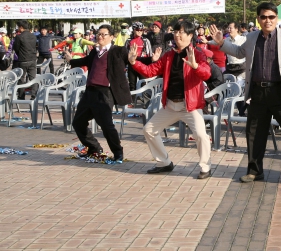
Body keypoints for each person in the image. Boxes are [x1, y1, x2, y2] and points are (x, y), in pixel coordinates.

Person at [208, 2, 281, 187]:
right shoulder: (251, 37)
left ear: (277, 18)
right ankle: (255, 171)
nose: (267, 20)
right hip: (258, 92)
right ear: (258, 19)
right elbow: (239, 53)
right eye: (264, 17)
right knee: (254, 134)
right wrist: (221, 43)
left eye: (271, 17)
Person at [129, 20, 212, 177]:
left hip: (190, 106)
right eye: (175, 32)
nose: (177, 35)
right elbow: (150, 70)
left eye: (181, 32)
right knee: (149, 130)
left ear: (190, 35)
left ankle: (205, 167)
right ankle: (164, 163)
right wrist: (134, 62)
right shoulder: (169, 55)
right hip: (170, 105)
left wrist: (195, 66)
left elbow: (207, 74)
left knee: (201, 135)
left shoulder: (198, 54)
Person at [65, 24, 131, 162]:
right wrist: (71, 60)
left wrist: (150, 60)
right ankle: (94, 147)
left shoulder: (118, 51)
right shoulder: (95, 52)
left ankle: (118, 152)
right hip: (90, 92)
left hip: (104, 93)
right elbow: (85, 61)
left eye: (104, 34)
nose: (100, 36)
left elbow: (132, 60)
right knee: (78, 122)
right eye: (98, 34)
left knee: (106, 125)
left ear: (111, 37)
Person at [12, 20, 38, 100]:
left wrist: (20, 54)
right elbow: (35, 46)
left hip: (23, 60)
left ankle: (21, 96)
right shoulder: (33, 36)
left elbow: (16, 48)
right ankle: (34, 96)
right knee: (33, 78)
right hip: (33, 59)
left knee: (21, 79)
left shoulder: (19, 37)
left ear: (21, 27)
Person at [125, 22, 153, 91]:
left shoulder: (145, 41)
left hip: (142, 65)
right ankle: (132, 101)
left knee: (143, 85)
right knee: (132, 85)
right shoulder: (128, 41)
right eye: (138, 29)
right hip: (131, 64)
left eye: (141, 30)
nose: (140, 31)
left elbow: (149, 53)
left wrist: (149, 65)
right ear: (133, 30)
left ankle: (144, 100)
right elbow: (125, 54)